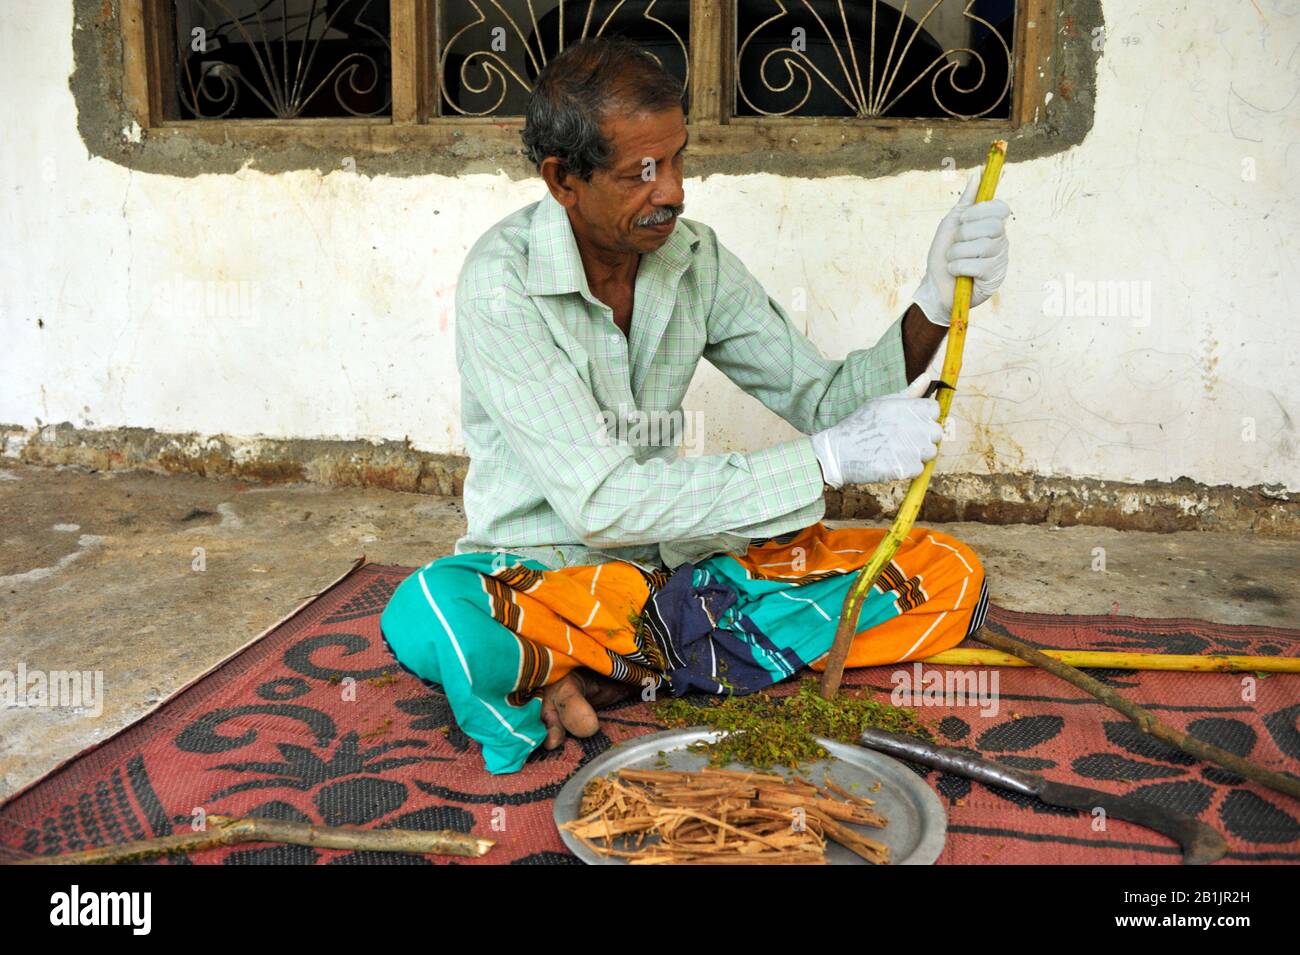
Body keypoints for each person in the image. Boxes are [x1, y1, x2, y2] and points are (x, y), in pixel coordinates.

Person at [381, 38, 1011, 774]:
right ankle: (653, 662)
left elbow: (826, 398)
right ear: (563, 180)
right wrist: (825, 462)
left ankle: (610, 674)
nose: (674, 190)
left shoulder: (694, 261)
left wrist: (933, 302)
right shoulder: (501, 283)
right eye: (642, 173)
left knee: (943, 571)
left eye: (678, 159)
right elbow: (600, 504)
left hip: (677, 581)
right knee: (426, 606)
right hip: (544, 585)